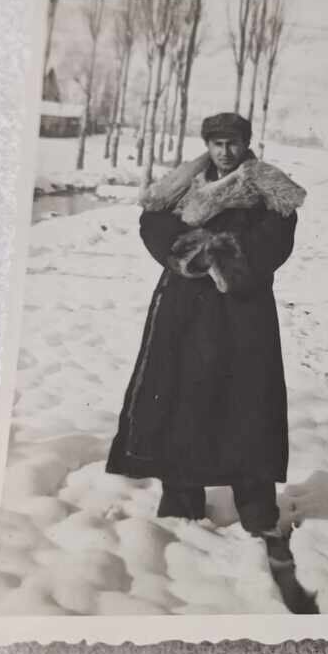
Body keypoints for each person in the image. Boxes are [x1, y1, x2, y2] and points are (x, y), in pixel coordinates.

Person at [105, 111, 306, 567]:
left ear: (246, 144)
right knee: (183, 394)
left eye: (232, 143)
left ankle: (256, 507)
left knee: (247, 399)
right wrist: (189, 256)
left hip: (242, 310)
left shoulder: (268, 187)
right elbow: (153, 224)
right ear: (207, 145)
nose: (224, 152)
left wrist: (224, 258)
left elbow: (276, 241)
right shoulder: (182, 184)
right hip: (185, 309)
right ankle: (181, 499)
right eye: (217, 143)